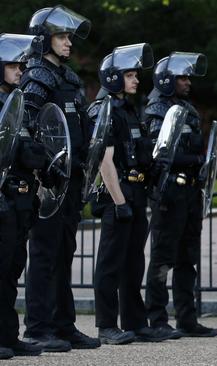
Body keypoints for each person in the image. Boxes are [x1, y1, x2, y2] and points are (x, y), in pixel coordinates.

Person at [21, 5, 100, 352]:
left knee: (65, 252)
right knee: (44, 253)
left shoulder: (68, 78)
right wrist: (42, 169)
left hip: (72, 179)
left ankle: (64, 325)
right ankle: (38, 327)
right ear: (44, 39)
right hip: (47, 183)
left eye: (69, 37)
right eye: (62, 36)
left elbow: (80, 128)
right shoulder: (36, 76)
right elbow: (24, 128)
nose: (68, 43)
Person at [89, 43, 172, 345]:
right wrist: (119, 201)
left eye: (136, 74)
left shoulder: (129, 110)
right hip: (119, 194)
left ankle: (135, 323)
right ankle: (106, 326)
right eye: (130, 74)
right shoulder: (105, 109)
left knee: (133, 262)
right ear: (113, 77)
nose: (137, 80)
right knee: (110, 263)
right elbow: (104, 159)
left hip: (135, 192)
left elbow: (136, 152)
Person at [143, 52, 217, 339]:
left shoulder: (189, 109)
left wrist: (202, 165)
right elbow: (159, 153)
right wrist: (191, 160)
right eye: (182, 77)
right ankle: (157, 318)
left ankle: (188, 318)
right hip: (168, 192)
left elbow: (201, 149)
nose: (188, 82)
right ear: (166, 80)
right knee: (163, 258)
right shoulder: (156, 110)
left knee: (188, 258)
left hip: (190, 192)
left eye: (188, 77)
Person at [0, 33, 46, 360]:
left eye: (22, 64)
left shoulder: (18, 105)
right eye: (14, 65)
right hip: (3, 196)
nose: (21, 70)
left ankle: (9, 336)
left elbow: (33, 148)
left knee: (13, 269)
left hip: (21, 199)